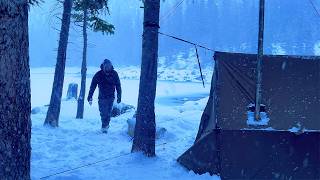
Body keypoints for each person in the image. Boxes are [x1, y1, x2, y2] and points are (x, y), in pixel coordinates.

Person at [87, 59, 122, 133]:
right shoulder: (98, 74)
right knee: (103, 112)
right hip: (102, 97)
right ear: (103, 66)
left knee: (108, 113)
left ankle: (105, 127)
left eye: (109, 66)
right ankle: (104, 125)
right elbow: (92, 86)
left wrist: (119, 96)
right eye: (106, 66)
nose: (108, 68)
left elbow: (118, 85)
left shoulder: (114, 74)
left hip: (111, 97)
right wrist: (90, 96)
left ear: (111, 66)